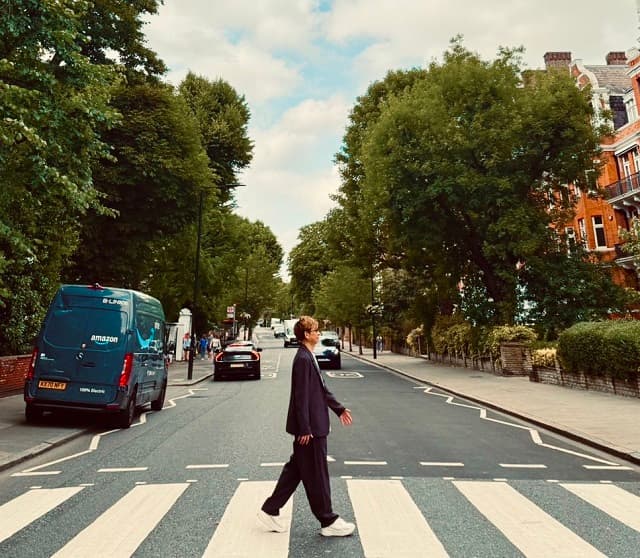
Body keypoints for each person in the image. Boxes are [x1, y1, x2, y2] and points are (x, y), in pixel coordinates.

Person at [257, 316, 356, 537]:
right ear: (306, 335)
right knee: (317, 474)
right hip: (311, 429)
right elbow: (300, 396)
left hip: (312, 426)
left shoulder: (308, 355)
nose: (319, 333)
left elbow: (320, 389)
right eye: (315, 330)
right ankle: (328, 520)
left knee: (296, 471)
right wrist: (304, 428)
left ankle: (270, 509)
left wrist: (339, 409)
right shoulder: (303, 358)